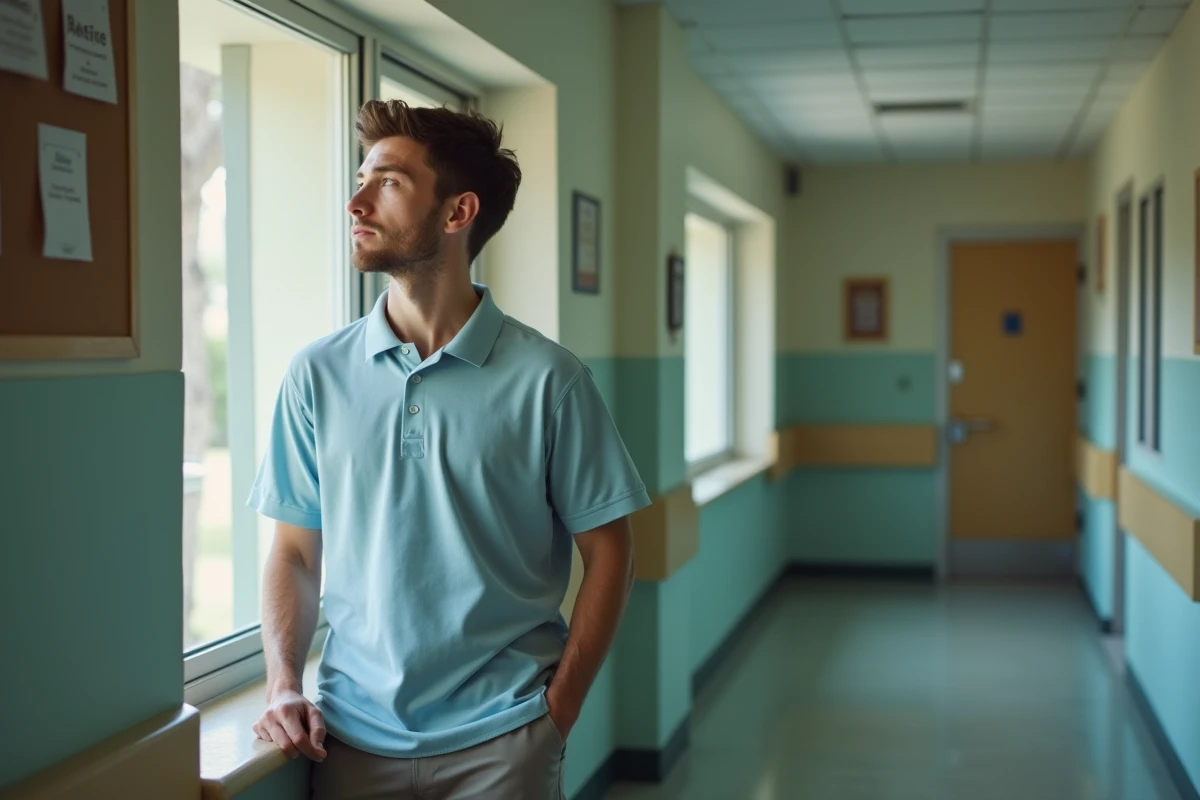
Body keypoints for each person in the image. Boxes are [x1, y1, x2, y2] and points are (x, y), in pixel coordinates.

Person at [247, 100, 649, 799]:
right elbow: (294, 553)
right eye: (362, 177)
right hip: (349, 741)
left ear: (457, 213)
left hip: (505, 740)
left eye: (389, 182)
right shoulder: (315, 375)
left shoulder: (549, 380)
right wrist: (283, 684)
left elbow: (610, 549)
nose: (357, 200)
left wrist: (561, 711)